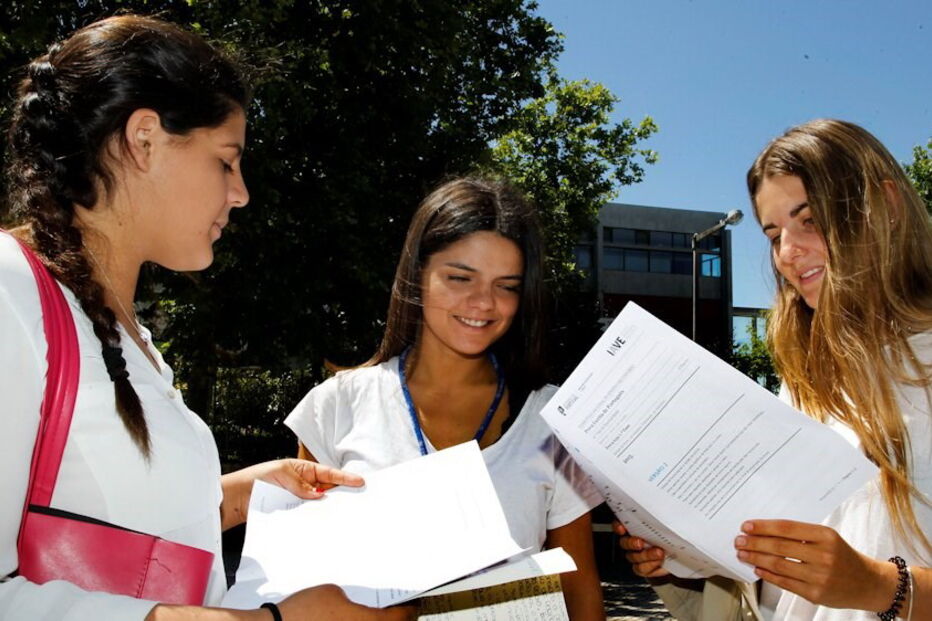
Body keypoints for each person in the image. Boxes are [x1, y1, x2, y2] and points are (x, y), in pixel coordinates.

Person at [0, 15, 414, 621]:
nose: (240, 192)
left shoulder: (124, 329)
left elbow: (103, 513)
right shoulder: (10, 290)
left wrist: (245, 492)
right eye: (226, 161)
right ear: (144, 139)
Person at [616, 119, 931, 620]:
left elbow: (862, 575)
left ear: (887, 208)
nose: (787, 253)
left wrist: (878, 585)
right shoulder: (805, 383)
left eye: (809, 220)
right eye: (774, 233)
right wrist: (682, 555)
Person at [284, 176, 607, 620]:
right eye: (460, 277)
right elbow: (301, 583)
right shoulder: (336, 405)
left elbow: (580, 592)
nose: (483, 303)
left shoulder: (553, 421)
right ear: (418, 273)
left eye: (507, 285)